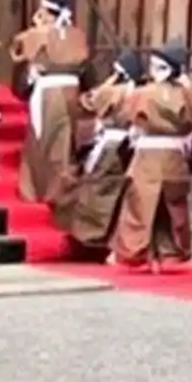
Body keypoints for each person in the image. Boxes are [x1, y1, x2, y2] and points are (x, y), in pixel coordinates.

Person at [110, 41, 192, 271]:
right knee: (172, 205)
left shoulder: (142, 93)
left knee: (141, 204)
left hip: (148, 155)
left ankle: (135, 253)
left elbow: (122, 116)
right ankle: (170, 252)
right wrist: (190, 140)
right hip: (174, 155)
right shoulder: (189, 96)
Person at [49, 48, 143, 260]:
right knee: (117, 195)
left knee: (94, 193)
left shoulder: (112, 92)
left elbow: (85, 102)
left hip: (109, 146)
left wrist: (109, 81)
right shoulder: (140, 93)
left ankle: (89, 240)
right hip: (129, 145)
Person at [8, 0, 90, 202]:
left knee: (43, 142)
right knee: (64, 144)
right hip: (72, 91)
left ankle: (39, 190)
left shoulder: (38, 36)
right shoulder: (78, 36)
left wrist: (36, 28)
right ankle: (60, 192)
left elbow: (17, 49)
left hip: (48, 95)